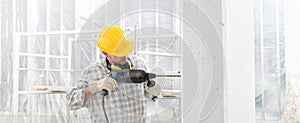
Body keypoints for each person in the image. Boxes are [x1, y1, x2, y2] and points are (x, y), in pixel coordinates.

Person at [66, 25, 161, 123]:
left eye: (125, 49)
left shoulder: (139, 64)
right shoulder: (92, 73)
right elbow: (70, 102)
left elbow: (149, 93)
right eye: (119, 52)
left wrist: (153, 91)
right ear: (105, 53)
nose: (124, 55)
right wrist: (93, 88)